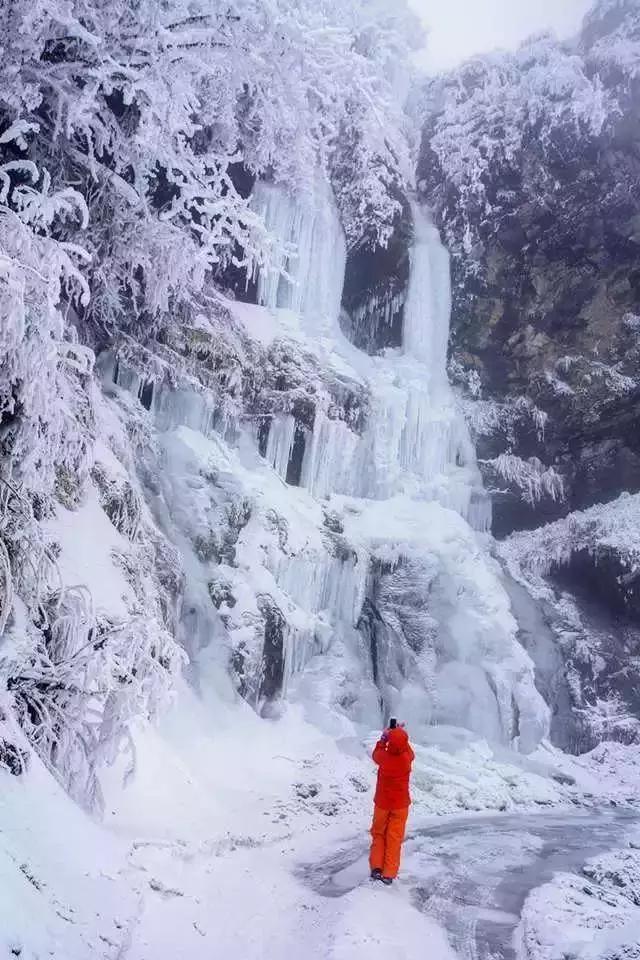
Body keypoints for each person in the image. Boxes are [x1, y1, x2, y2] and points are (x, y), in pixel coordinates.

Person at [369, 723, 414, 885]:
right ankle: (389, 873)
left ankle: (376, 868)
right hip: (400, 805)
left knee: (379, 833)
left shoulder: (384, 758)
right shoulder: (406, 758)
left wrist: (385, 737)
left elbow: (376, 753)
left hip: (382, 803)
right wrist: (400, 736)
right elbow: (408, 751)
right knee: (394, 837)